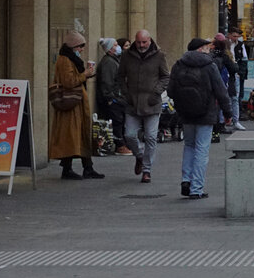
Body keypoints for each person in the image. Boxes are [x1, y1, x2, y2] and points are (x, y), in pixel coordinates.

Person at [168, 38, 233, 199]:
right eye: (206, 47)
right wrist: (228, 113)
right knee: (202, 149)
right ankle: (196, 188)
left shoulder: (178, 65)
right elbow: (220, 91)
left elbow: (170, 91)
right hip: (206, 113)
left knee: (189, 145)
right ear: (199, 49)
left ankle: (186, 180)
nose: (208, 50)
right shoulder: (209, 66)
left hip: (185, 113)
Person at [49, 31, 103, 179]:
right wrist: (84, 74)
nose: (82, 49)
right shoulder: (65, 60)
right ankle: (70, 169)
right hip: (71, 104)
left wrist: (86, 74)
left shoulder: (69, 58)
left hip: (76, 103)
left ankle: (86, 167)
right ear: (73, 46)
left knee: (78, 135)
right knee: (72, 136)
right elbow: (69, 81)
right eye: (80, 46)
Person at [118, 29, 170, 183]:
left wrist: (156, 92)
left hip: (152, 103)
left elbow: (165, 76)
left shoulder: (159, 56)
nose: (141, 45)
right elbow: (120, 76)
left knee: (151, 137)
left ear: (150, 41)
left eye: (144, 42)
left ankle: (147, 170)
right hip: (132, 102)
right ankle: (139, 155)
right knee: (129, 135)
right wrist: (126, 93)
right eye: (139, 42)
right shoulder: (127, 56)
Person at [95, 38, 132, 155]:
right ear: (109, 49)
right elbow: (107, 82)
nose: (118, 47)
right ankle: (120, 146)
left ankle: (122, 144)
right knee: (117, 122)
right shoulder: (109, 62)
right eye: (115, 45)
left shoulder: (114, 61)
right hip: (113, 99)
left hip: (118, 98)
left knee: (120, 121)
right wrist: (111, 99)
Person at [228, 27, 249, 103]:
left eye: (237, 36)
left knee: (239, 92)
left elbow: (244, 59)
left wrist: (241, 72)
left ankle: (239, 110)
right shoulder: (226, 44)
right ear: (229, 35)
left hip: (239, 71)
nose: (236, 38)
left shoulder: (240, 44)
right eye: (234, 36)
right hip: (229, 71)